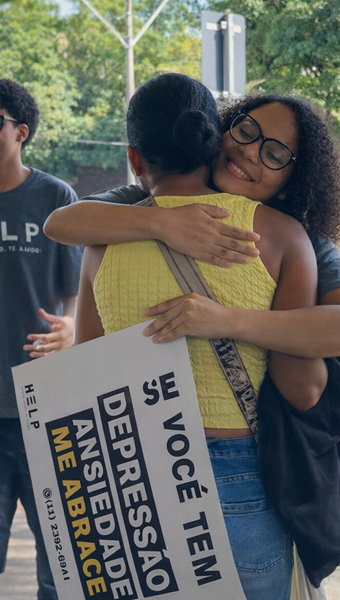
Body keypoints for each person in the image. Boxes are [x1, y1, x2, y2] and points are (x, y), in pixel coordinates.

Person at [72, 73, 328, 600]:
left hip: (127, 472)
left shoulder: (102, 238)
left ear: (135, 159)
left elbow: (87, 371)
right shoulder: (282, 237)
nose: (257, 153)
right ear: (217, 136)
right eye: (249, 132)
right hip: (237, 477)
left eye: (275, 152)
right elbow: (300, 387)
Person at [44, 96, 340, 355]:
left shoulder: (302, 241)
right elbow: (59, 222)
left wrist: (226, 321)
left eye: (274, 155)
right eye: (246, 131)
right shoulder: (147, 197)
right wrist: (164, 222)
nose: (250, 151)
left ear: (292, 184)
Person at [0, 78, 82, 600]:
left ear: (21, 132)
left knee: (60, 553)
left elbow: (76, 299)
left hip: (44, 405)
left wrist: (72, 330)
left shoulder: (55, 199)